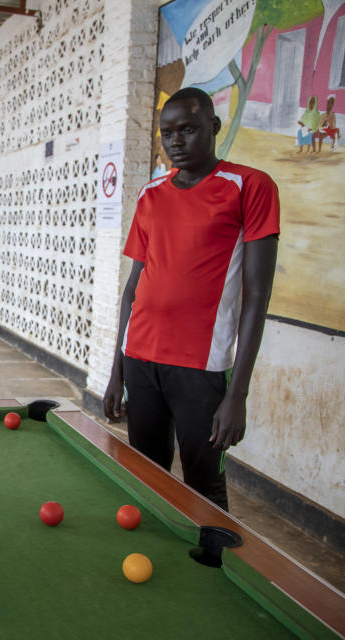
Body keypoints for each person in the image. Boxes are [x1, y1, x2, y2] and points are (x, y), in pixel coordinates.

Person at [103, 87, 280, 511]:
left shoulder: (250, 187)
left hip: (201, 367)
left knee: (204, 488)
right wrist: (117, 370)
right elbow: (133, 288)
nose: (176, 141)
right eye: (167, 133)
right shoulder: (151, 194)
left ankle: (210, 567)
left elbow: (258, 296)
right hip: (141, 358)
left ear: (214, 128)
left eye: (188, 129)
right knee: (145, 477)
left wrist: (237, 394)